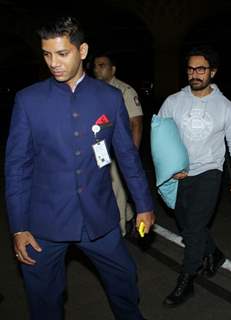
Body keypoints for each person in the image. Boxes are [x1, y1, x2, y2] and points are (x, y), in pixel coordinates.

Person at [4, 17, 155, 320]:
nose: (53, 63)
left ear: (82, 50)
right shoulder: (28, 100)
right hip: (43, 224)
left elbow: (127, 156)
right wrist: (19, 227)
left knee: (124, 278)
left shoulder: (110, 98)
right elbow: (17, 167)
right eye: (47, 54)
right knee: (44, 301)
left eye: (62, 54)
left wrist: (144, 205)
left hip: (97, 217)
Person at [158, 45, 231, 307]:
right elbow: (160, 138)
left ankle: (186, 281)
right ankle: (215, 254)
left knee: (195, 228)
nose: (195, 74)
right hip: (179, 174)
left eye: (201, 69)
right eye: (190, 69)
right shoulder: (173, 102)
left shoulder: (226, 107)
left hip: (209, 173)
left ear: (213, 71)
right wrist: (169, 167)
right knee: (188, 227)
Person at [93, 53, 143, 236]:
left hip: (117, 150)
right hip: (99, 149)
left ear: (112, 69)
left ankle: (119, 231)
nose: (97, 69)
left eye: (102, 65)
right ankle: (129, 214)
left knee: (116, 188)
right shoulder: (93, 90)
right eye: (95, 65)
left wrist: (132, 155)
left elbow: (136, 123)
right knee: (104, 186)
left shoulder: (124, 91)